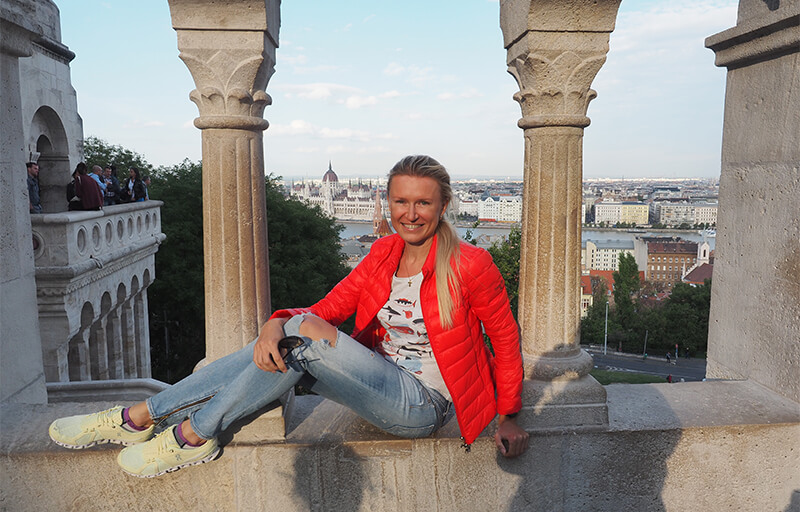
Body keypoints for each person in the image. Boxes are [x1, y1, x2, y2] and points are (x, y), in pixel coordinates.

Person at [48, 155, 528, 478]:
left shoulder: (471, 265)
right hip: (376, 379)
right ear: (388, 202)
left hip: (424, 405)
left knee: (296, 338)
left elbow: (505, 340)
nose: (411, 213)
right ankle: (150, 420)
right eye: (401, 201)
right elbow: (328, 310)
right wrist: (274, 322)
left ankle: (179, 429)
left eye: (423, 202)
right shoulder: (382, 253)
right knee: (289, 342)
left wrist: (509, 416)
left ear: (443, 205)